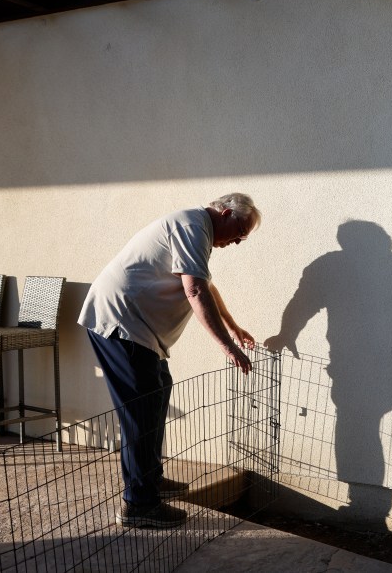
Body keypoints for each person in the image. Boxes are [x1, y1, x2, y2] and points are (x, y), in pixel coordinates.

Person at [79, 193, 261, 529]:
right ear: (224, 213)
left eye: (243, 237)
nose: (237, 241)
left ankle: (150, 480)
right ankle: (139, 505)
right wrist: (226, 346)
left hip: (138, 329)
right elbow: (195, 291)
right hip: (122, 323)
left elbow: (204, 284)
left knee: (158, 390)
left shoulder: (198, 231)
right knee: (140, 410)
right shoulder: (193, 225)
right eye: (239, 231)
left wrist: (233, 327)